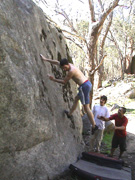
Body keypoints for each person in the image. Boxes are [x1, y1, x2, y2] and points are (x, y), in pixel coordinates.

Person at [40, 54, 98, 134]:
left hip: (84, 86)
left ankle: (94, 126)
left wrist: (53, 79)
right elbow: (57, 62)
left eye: (64, 68)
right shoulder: (68, 65)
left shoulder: (71, 71)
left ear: (67, 65)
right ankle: (70, 114)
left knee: (86, 107)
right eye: (63, 68)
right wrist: (46, 59)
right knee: (76, 99)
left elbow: (64, 82)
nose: (64, 69)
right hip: (86, 84)